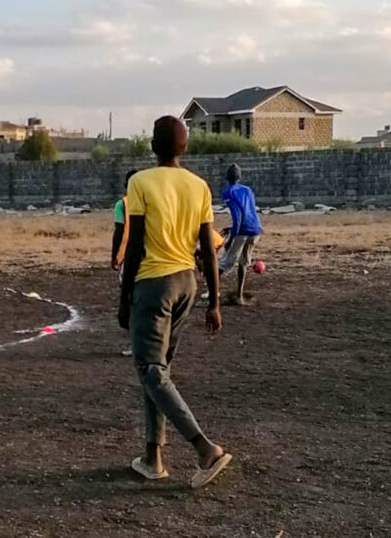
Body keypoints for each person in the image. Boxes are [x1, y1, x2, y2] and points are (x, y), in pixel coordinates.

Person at [119, 116, 232, 489]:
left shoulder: (140, 182)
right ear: (184, 147)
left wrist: (125, 297)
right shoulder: (198, 186)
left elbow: (135, 247)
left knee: (151, 370)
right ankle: (152, 458)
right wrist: (214, 301)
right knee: (158, 372)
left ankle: (204, 448)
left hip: (153, 283)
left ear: (152, 145)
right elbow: (208, 248)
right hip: (187, 283)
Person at [220, 164, 263, 305]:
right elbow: (248, 212)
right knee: (243, 262)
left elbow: (238, 216)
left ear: (226, 178)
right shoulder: (248, 190)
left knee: (225, 263)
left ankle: (211, 293)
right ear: (240, 177)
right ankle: (239, 296)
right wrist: (232, 228)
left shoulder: (228, 192)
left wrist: (231, 238)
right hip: (256, 229)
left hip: (241, 231)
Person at [111, 170, 139, 273]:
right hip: (149, 255)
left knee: (127, 286)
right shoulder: (150, 203)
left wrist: (114, 256)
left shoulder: (122, 204)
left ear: (126, 185)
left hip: (127, 253)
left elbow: (119, 230)